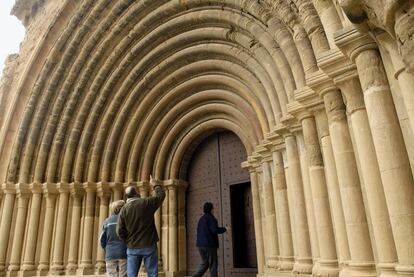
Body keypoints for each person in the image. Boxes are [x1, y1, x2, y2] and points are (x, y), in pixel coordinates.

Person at [116, 175, 166, 277]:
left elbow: (119, 231)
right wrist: (155, 184)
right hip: (149, 244)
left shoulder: (123, 210)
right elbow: (161, 196)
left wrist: (128, 241)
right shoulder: (146, 203)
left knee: (132, 275)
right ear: (137, 193)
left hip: (132, 247)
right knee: (152, 274)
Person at [193, 202, 227, 277]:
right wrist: (225, 229)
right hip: (209, 245)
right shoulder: (211, 218)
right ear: (211, 209)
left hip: (200, 245)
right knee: (213, 264)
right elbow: (214, 230)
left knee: (205, 263)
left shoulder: (201, 219)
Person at [100, 200, 128, 277]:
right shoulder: (126, 221)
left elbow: (102, 240)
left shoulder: (107, 221)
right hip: (123, 252)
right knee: (123, 275)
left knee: (111, 275)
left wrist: (107, 249)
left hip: (110, 253)